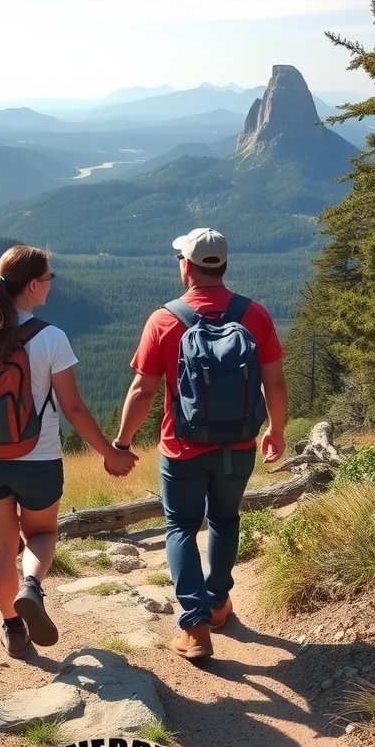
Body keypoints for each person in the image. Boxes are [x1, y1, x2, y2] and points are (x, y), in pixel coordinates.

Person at [0, 244, 137, 659]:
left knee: (0, 546)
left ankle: (13, 629)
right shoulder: (51, 338)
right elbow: (74, 408)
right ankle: (32, 586)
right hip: (38, 461)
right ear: (32, 285)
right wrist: (109, 453)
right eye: (48, 278)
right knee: (42, 533)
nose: (50, 285)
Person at [113, 227, 287, 661]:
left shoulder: (165, 319)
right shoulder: (256, 315)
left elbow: (142, 390)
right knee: (225, 520)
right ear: (223, 266)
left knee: (181, 527)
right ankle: (218, 603)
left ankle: (194, 628)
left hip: (182, 447)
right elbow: (275, 382)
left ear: (186, 266)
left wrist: (122, 440)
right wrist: (277, 430)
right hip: (240, 445)